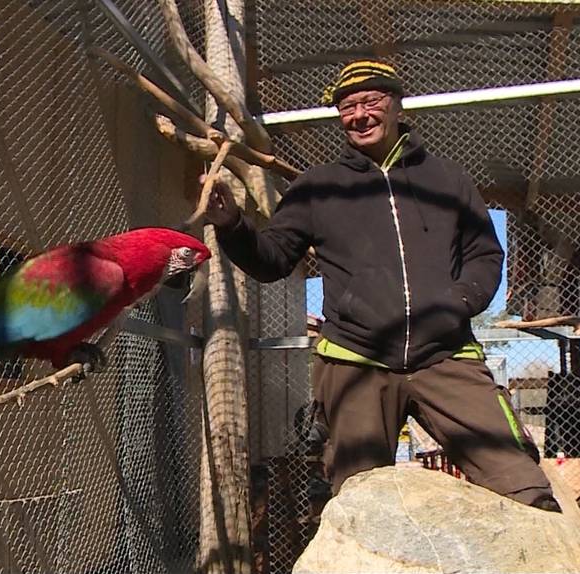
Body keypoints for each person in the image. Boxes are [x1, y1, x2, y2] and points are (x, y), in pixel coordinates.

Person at [205, 59, 560, 512]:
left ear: (395, 104)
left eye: (371, 101)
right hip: (355, 360)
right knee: (359, 502)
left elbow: (484, 254)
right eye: (347, 107)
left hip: (445, 353)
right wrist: (232, 224)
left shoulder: (447, 179)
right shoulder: (318, 187)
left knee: (522, 484)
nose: (360, 114)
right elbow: (272, 260)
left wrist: (458, 302)